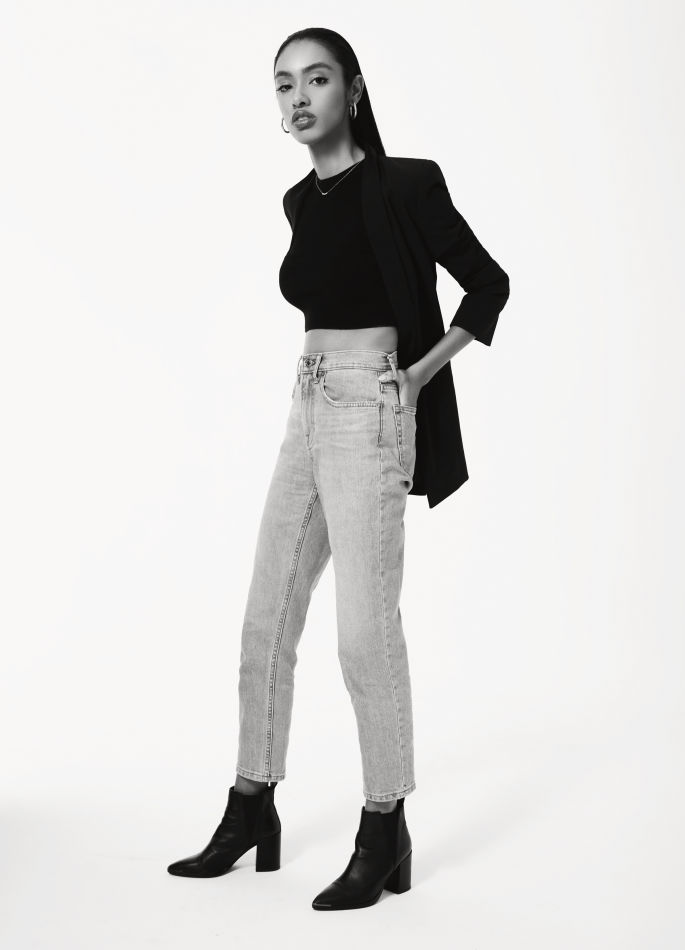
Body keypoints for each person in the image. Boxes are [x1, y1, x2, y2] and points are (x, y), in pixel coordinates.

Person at [167, 27, 510, 911]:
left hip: (373, 410)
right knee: (266, 619)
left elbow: (488, 284)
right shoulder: (299, 201)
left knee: (363, 631)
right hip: (308, 404)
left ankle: (384, 825)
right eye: (284, 85)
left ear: (352, 91)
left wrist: (418, 375)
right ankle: (251, 805)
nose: (298, 97)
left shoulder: (407, 183)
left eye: (316, 79)